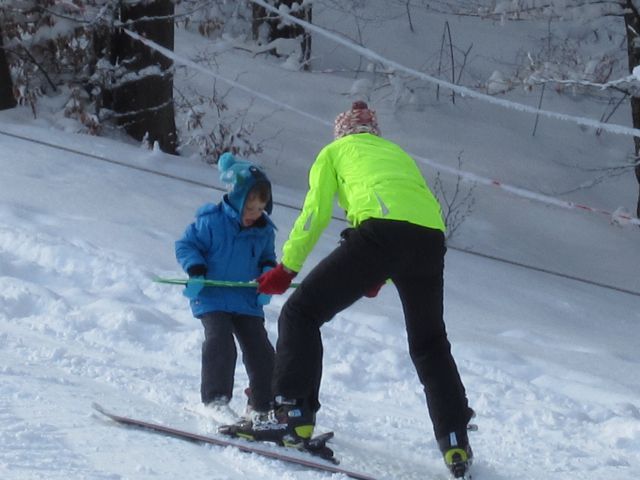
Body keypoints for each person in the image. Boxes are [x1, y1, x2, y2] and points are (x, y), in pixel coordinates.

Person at [232, 101, 475, 477]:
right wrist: (382, 273)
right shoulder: (396, 154)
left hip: (379, 234)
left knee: (300, 313)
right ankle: (455, 439)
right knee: (429, 343)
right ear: (373, 133)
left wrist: (287, 268)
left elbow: (315, 213)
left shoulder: (334, 152)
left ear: (341, 133)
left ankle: (292, 416)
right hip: (430, 241)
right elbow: (410, 214)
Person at [175, 152, 277, 420]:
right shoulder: (211, 221)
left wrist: (267, 276)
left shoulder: (265, 231)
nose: (254, 215)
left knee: (261, 350)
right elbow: (186, 245)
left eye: (259, 209)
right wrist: (196, 269)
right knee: (221, 342)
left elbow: (268, 258)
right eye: (249, 208)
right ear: (236, 198)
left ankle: (262, 404)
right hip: (212, 295)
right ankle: (215, 399)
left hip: (246, 299)